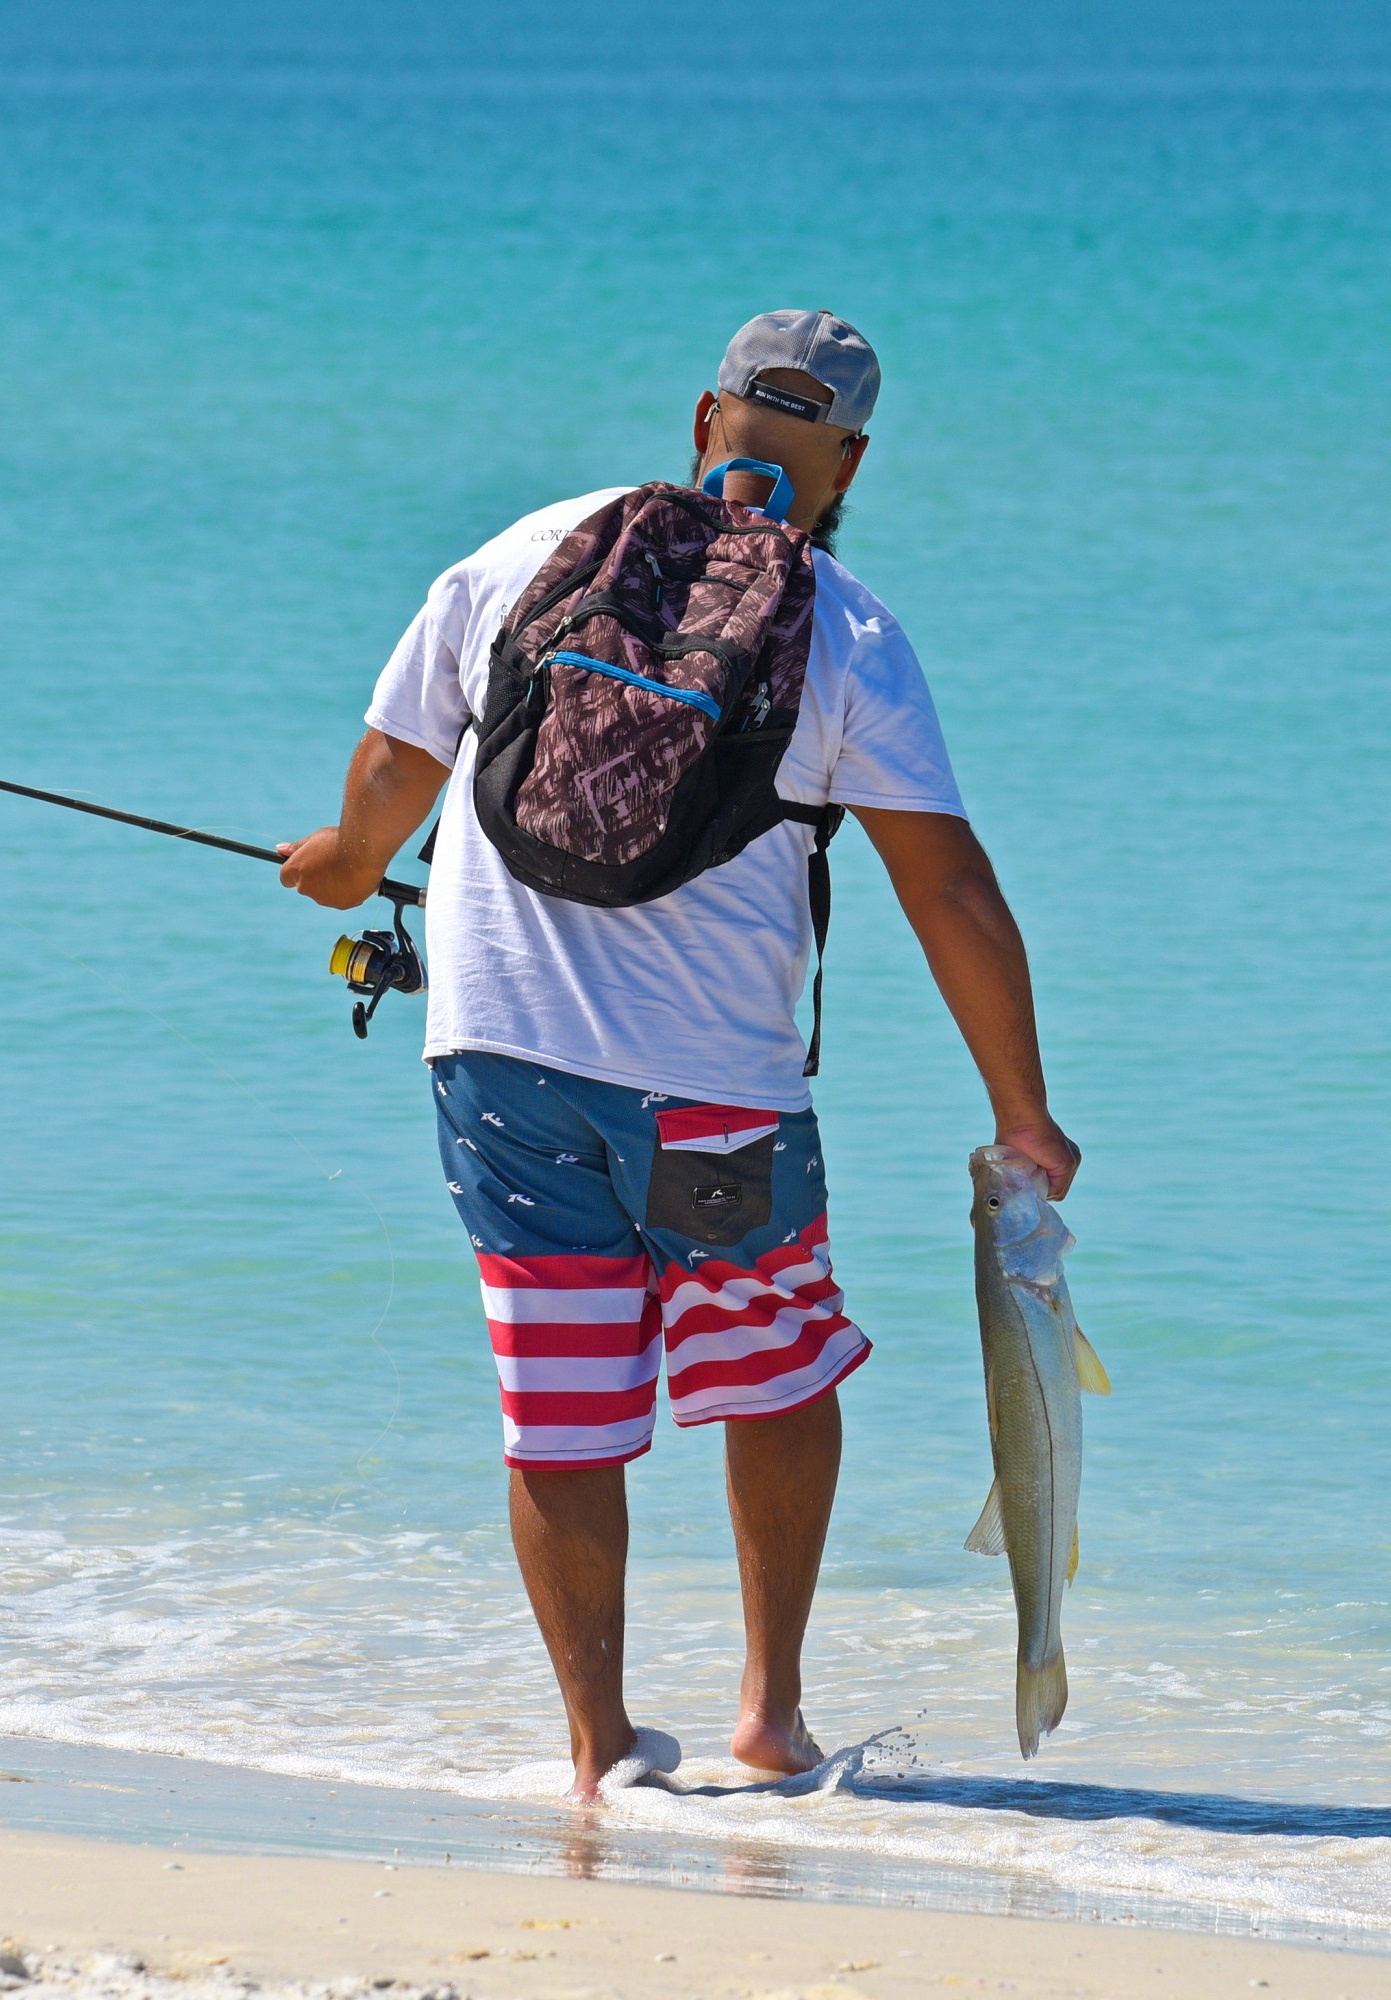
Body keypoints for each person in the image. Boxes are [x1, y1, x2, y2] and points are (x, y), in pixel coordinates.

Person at [280, 309, 1079, 1796]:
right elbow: (947, 891)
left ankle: (598, 1747)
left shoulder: (524, 552)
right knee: (772, 1379)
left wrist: (336, 866)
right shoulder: (844, 631)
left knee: (562, 1399)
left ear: (705, 416)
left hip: (498, 1067)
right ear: (844, 458)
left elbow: (389, 782)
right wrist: (1020, 1111)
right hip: (713, 1095)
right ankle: (767, 1717)